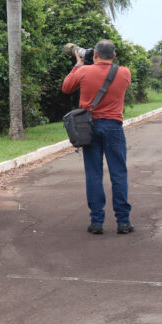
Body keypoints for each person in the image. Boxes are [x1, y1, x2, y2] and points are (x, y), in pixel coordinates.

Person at [61, 39, 133, 235]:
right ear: (114, 56)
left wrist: (78, 64)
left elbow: (66, 87)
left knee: (94, 174)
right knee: (119, 174)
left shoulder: (84, 71)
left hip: (89, 127)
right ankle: (123, 222)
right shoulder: (124, 72)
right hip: (114, 127)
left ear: (94, 55)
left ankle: (97, 222)